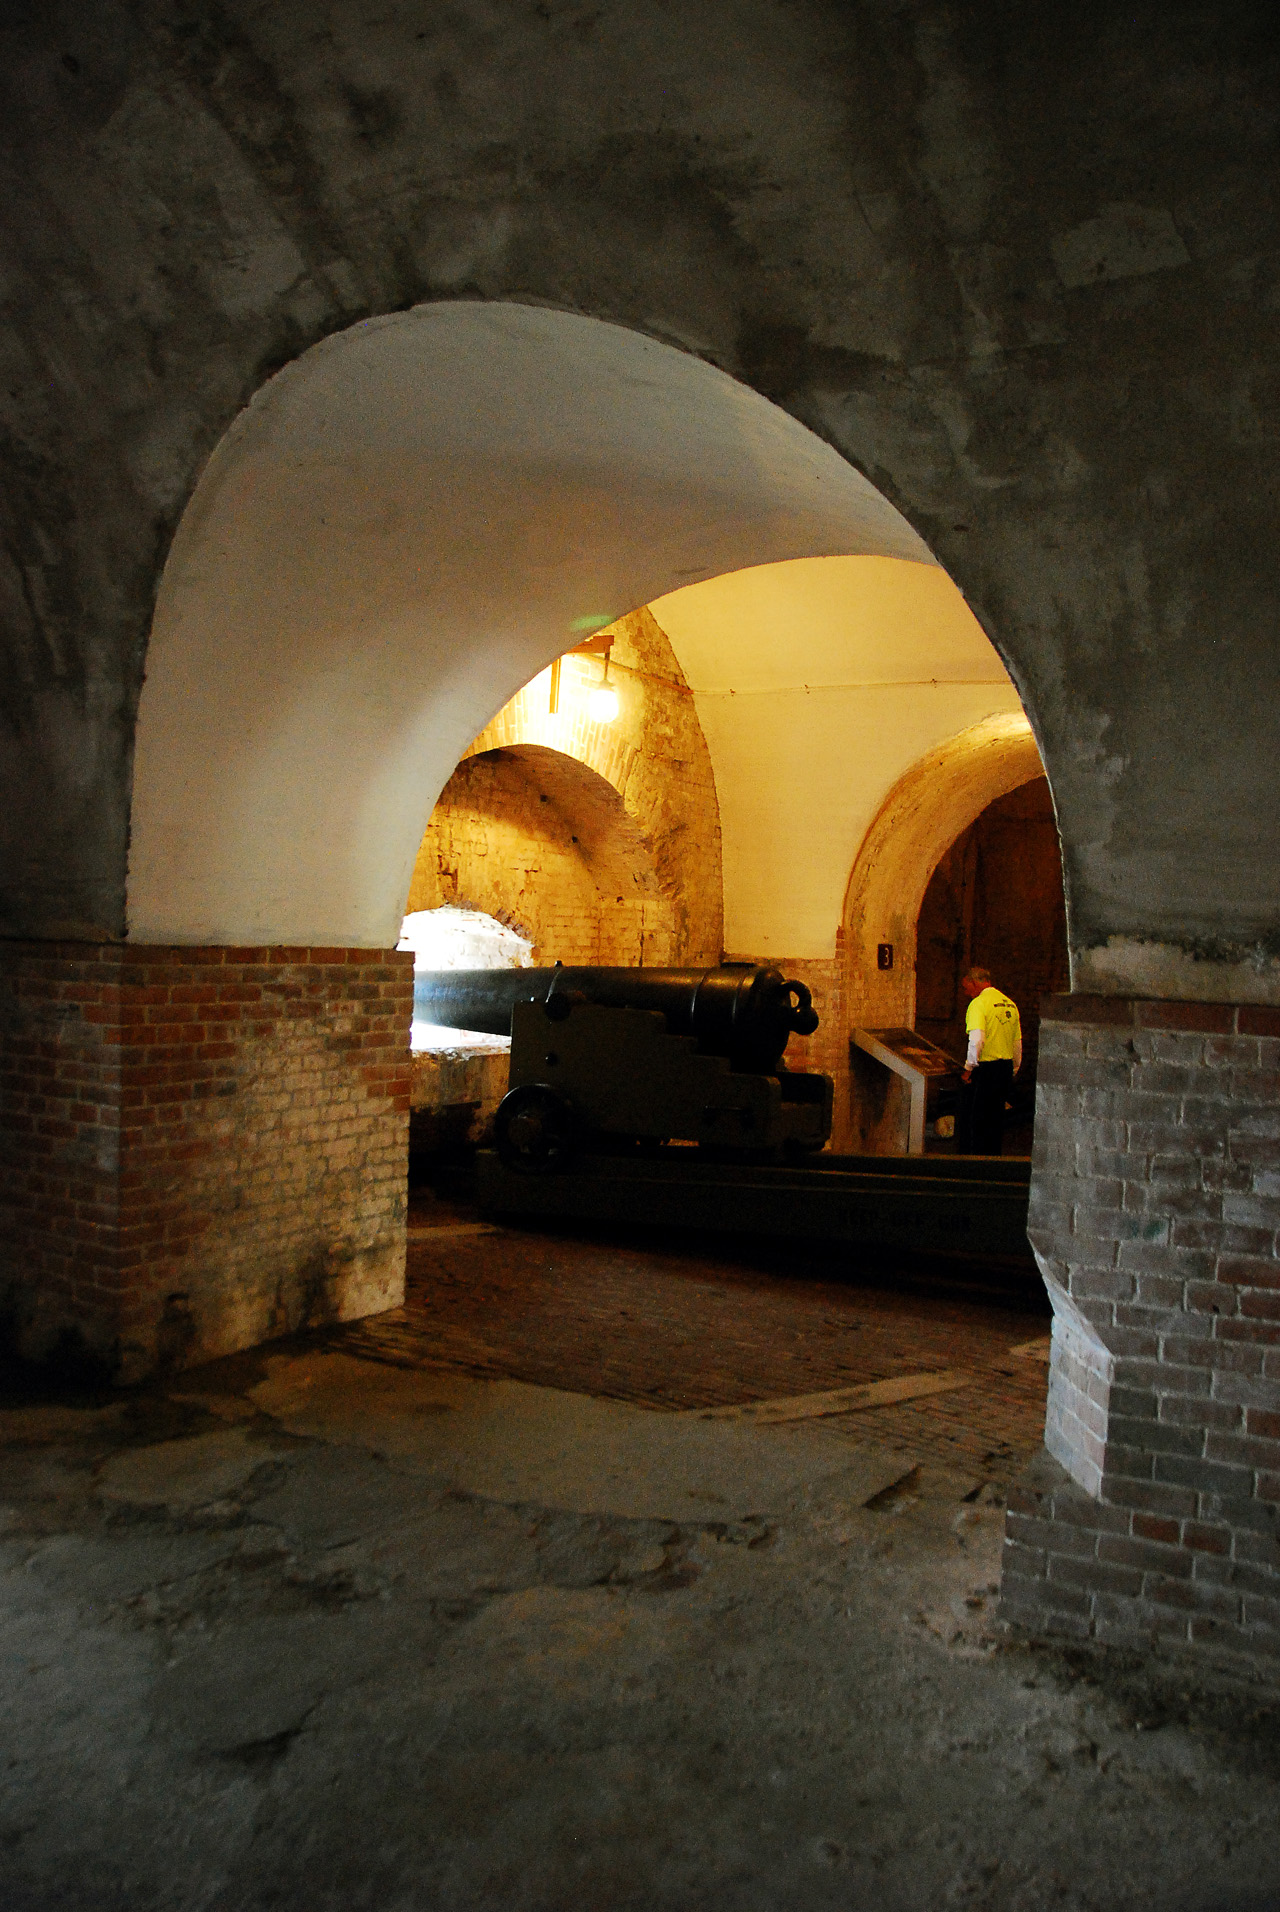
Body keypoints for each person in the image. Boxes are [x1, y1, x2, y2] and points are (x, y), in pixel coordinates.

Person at [956, 967, 1022, 1155]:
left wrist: (969, 1068)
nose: (965, 992)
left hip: (984, 1070)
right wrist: (1014, 1069)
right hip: (1005, 1068)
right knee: (996, 1120)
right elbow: (1017, 1043)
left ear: (975, 983)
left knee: (976, 1121)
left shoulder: (979, 1004)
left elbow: (977, 1039)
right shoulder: (1010, 1004)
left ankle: (974, 1166)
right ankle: (993, 1161)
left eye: (966, 987)